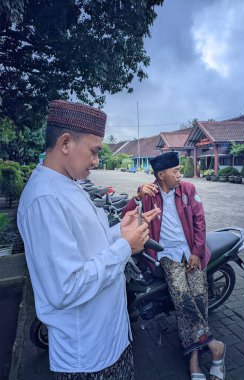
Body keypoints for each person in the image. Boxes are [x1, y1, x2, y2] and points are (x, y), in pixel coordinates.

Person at [17, 100, 160, 380]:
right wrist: (124, 248)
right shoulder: (44, 199)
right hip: (88, 357)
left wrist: (119, 230)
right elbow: (65, 288)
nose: (97, 161)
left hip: (108, 339)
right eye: (94, 152)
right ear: (66, 142)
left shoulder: (68, 183)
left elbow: (86, 244)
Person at [122, 151, 226, 380]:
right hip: (167, 257)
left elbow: (200, 222)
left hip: (191, 253)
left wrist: (197, 252)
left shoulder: (188, 190)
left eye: (180, 170)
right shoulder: (149, 194)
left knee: (199, 299)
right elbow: (125, 216)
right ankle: (214, 346)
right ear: (161, 175)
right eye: (175, 171)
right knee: (183, 299)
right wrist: (137, 197)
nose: (180, 174)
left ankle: (194, 358)